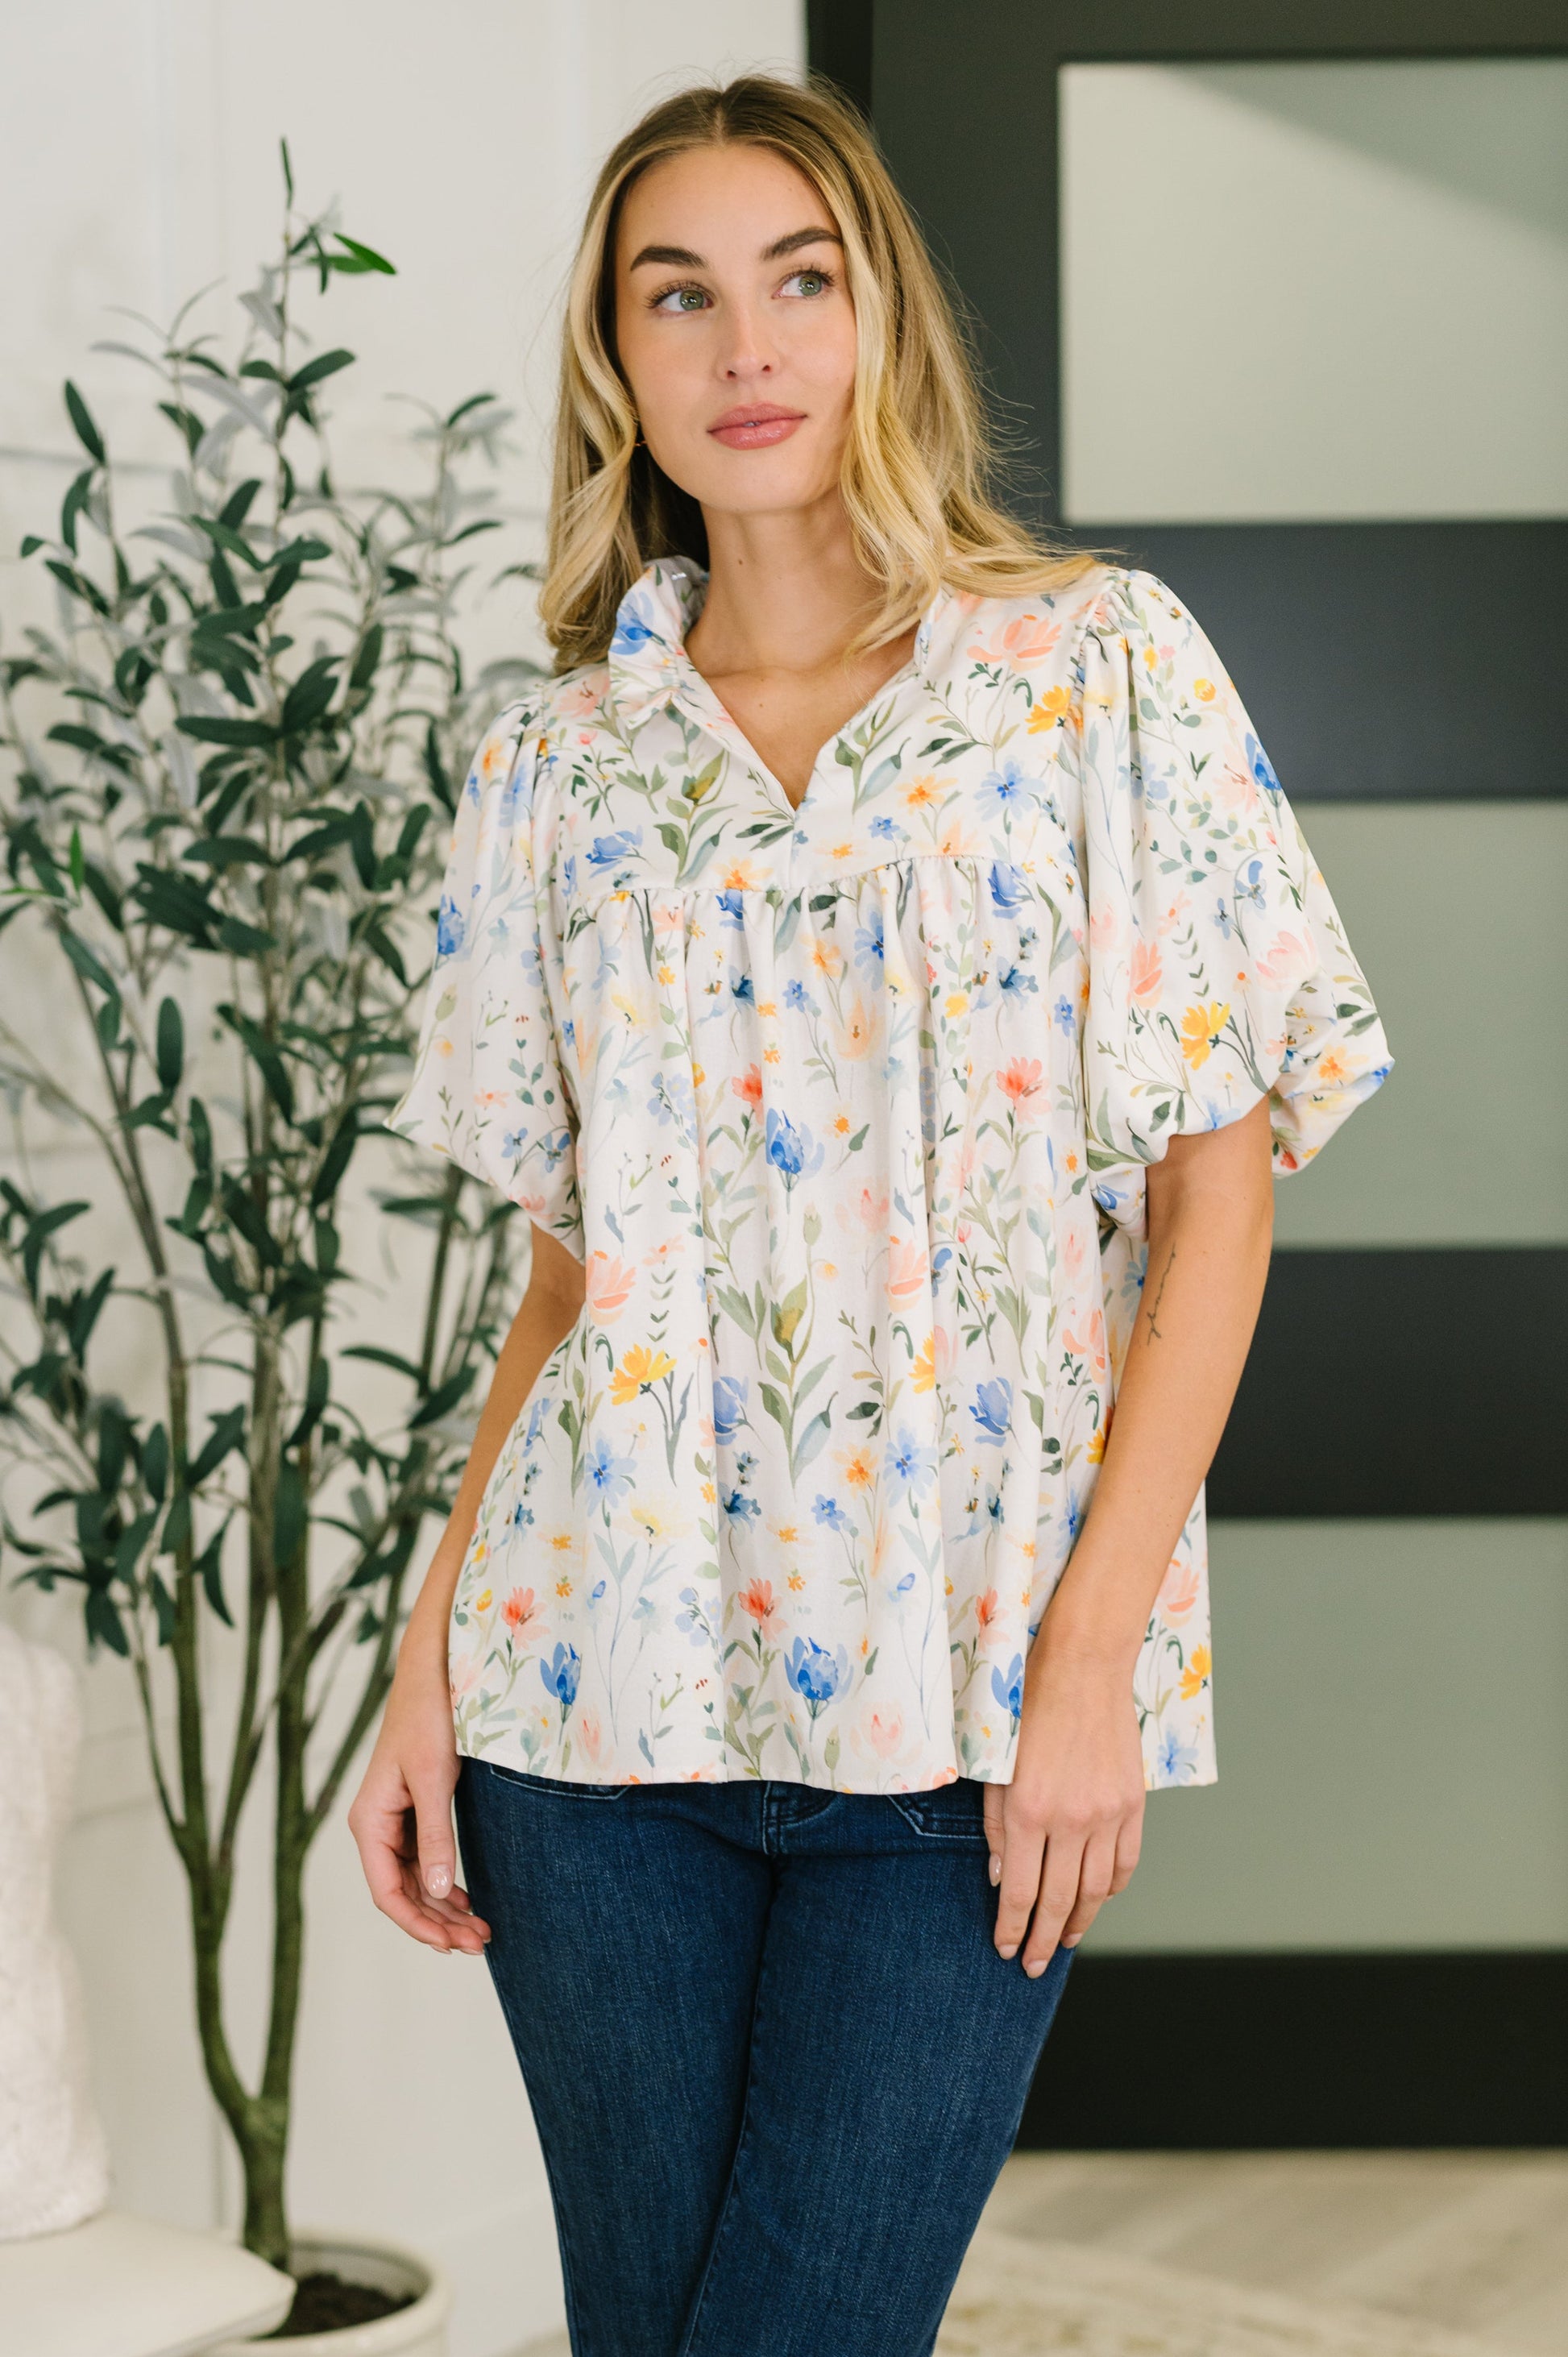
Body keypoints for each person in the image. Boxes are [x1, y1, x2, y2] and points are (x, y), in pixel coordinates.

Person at [348, 73, 1391, 2357]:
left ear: (879, 316)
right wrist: (429, 1660)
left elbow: (1214, 1207)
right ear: (616, 359)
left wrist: (1091, 1670)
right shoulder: (557, 765)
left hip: (969, 1705)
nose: (747, 346)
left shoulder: (1096, 670)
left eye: (798, 280)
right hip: (584, 1718)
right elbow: (566, 1278)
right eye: (679, 295)